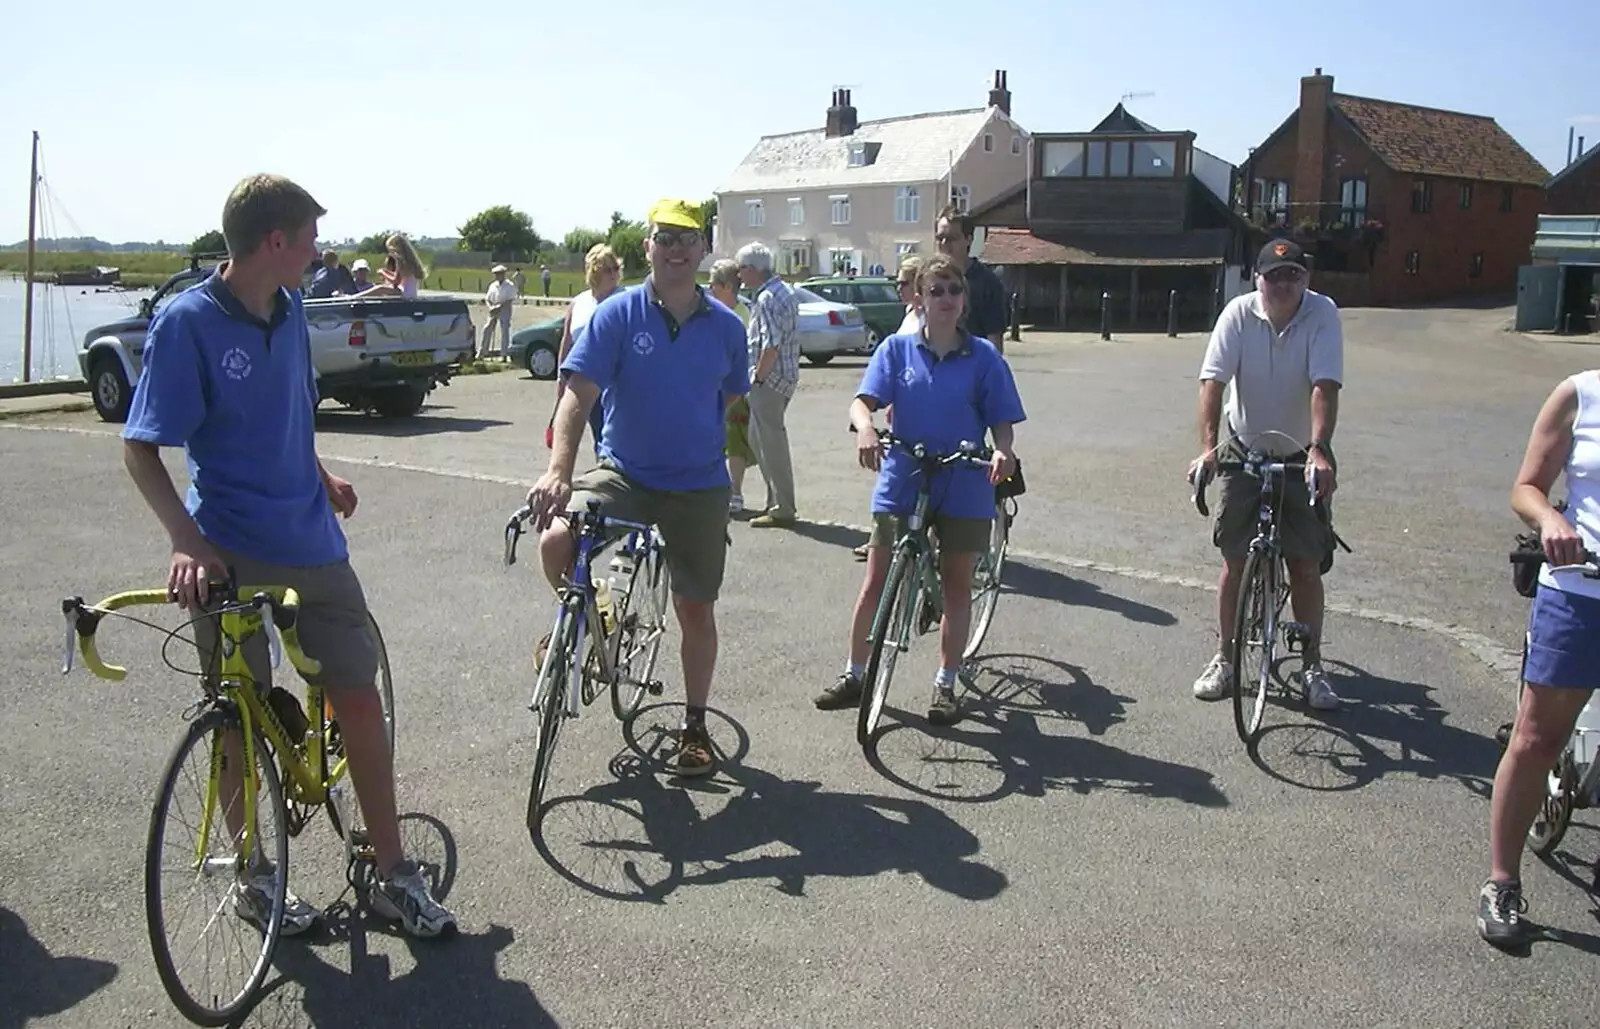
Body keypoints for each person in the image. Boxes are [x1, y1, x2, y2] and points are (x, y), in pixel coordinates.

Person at [120, 173, 455, 938]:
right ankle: (252, 872)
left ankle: (390, 870)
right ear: (274, 240)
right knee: (237, 714)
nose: (318, 248)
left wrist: (318, 472)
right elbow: (140, 449)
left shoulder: (294, 305)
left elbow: (287, 418)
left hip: (310, 541)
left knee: (357, 697)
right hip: (227, 548)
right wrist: (185, 539)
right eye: (309, 235)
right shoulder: (187, 323)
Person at [523, 199, 748, 777]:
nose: (675, 248)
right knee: (554, 541)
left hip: (698, 484)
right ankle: (594, 612)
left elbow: (728, 399)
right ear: (647, 247)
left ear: (704, 249)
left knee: (694, 608)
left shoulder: (727, 328)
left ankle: (694, 726)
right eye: (663, 237)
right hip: (624, 473)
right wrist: (559, 470)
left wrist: (706, 452)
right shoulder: (617, 314)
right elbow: (577, 394)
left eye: (687, 238)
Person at [815, 253, 1024, 724]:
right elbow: (861, 402)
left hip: (964, 477)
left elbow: (1002, 421)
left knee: (954, 586)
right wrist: (866, 428)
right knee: (875, 580)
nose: (946, 299)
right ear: (919, 299)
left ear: (964, 298)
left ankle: (946, 685)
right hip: (904, 472)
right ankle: (854, 674)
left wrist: (1002, 450)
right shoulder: (896, 349)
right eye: (936, 291)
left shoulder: (983, 358)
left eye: (954, 290)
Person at [1188, 238, 1343, 711]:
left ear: (1305, 277)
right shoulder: (1237, 314)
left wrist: (1319, 450)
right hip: (1246, 443)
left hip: (1300, 451)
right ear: (1257, 279)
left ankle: (1312, 666)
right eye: (1274, 276)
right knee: (1235, 558)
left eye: (1293, 275)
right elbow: (1212, 382)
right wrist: (1209, 448)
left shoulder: (1322, 313)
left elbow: (1324, 384)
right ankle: (1225, 659)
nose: (1283, 284)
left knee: (1304, 563)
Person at [1478, 367, 1600, 949]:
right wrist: (1551, 519)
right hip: (1580, 589)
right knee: (1536, 741)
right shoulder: (1580, 395)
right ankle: (1502, 881)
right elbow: (1525, 487)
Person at [852, 256, 926, 561]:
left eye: (904, 282)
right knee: (895, 474)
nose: (898, 288)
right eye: (896, 282)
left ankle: (889, 541)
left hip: (914, 405)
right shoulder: (910, 314)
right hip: (896, 399)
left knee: (906, 474)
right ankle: (884, 539)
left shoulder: (922, 318)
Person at [736, 242, 802, 528]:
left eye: (741, 269)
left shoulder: (765, 298)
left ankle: (782, 506)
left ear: (752, 269)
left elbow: (770, 344)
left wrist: (758, 377)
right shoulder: (784, 290)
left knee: (770, 442)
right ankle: (776, 500)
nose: (739, 276)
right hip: (784, 375)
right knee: (759, 438)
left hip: (770, 379)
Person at [545, 243, 624, 453]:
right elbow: (567, 340)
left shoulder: (624, 300)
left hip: (616, 382)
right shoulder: (579, 302)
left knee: (615, 435)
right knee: (596, 432)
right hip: (584, 381)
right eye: (608, 269)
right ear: (594, 271)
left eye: (616, 268)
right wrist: (561, 377)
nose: (614, 274)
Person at [707, 258, 758, 513]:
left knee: (735, 441)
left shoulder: (741, 316)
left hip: (733, 390)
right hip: (710, 387)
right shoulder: (710, 312)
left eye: (713, 284)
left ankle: (734, 494)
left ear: (726, 286)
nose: (709, 288)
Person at [934, 205, 1008, 352]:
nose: (944, 244)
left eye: (951, 238)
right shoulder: (928, 279)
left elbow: (994, 345)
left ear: (969, 239)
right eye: (940, 238)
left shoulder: (988, 283)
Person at [359, 234, 425, 297]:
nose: (390, 253)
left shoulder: (400, 261)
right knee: (385, 288)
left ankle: (355, 297)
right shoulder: (410, 261)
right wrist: (386, 272)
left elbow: (395, 280)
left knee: (381, 288)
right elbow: (398, 277)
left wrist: (383, 273)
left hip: (404, 294)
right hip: (411, 294)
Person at [481, 264, 516, 358]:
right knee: (487, 328)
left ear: (504, 274)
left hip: (504, 309)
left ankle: (504, 354)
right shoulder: (493, 285)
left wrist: (499, 307)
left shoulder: (509, 285)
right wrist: (491, 307)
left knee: (504, 330)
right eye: (496, 274)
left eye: (499, 273)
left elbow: (510, 299)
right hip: (493, 309)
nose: (497, 276)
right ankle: (483, 351)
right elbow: (487, 298)